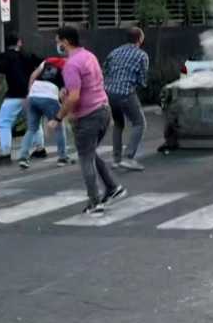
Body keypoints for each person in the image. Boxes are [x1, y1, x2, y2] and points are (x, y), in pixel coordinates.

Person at [50, 26, 126, 215]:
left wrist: (57, 118)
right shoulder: (89, 56)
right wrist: (67, 92)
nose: (57, 45)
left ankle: (94, 202)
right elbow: (90, 85)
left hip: (88, 116)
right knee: (90, 152)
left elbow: (74, 97)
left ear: (66, 42)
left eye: (58, 41)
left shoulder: (71, 64)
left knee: (85, 158)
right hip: (103, 110)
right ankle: (112, 187)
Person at [103, 27, 149, 172]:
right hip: (125, 93)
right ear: (140, 39)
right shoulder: (142, 55)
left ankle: (116, 160)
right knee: (139, 123)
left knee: (118, 124)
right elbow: (142, 80)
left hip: (108, 93)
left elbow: (105, 71)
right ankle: (129, 157)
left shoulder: (114, 52)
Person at [0, 33, 43, 165]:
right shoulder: (27, 55)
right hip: (30, 94)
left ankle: (5, 154)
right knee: (34, 121)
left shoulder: (5, 56)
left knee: (3, 123)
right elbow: (43, 63)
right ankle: (40, 149)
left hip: (14, 95)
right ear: (19, 42)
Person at [16, 55, 73, 169]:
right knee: (58, 127)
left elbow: (33, 76)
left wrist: (29, 93)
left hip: (33, 95)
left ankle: (23, 157)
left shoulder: (48, 61)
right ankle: (62, 157)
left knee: (32, 129)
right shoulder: (69, 67)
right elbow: (63, 92)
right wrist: (65, 109)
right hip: (50, 97)